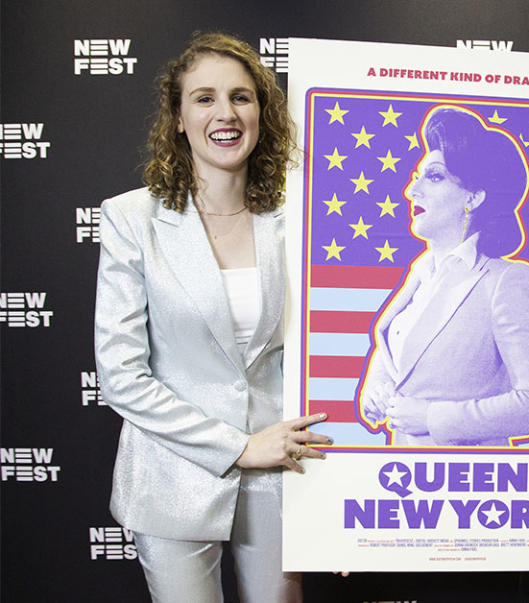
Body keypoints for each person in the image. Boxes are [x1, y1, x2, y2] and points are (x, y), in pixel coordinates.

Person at [94, 33, 332, 602]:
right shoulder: (133, 219)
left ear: (261, 111)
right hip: (171, 472)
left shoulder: (303, 214)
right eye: (204, 98)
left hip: (284, 471)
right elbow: (121, 375)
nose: (225, 113)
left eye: (241, 97)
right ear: (177, 117)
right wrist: (237, 446)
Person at [358, 105, 529, 446]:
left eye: (435, 176)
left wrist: (431, 417)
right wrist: (376, 392)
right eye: (417, 176)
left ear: (474, 196)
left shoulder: (505, 281)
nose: (413, 190)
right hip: (401, 479)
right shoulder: (421, 270)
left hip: (473, 482)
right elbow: (399, 360)